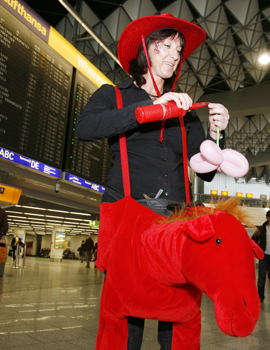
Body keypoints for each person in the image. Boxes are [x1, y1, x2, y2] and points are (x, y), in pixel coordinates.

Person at [76, 13, 230, 350]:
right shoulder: (114, 95)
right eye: (167, 46)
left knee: (175, 314)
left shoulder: (186, 112)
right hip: (129, 216)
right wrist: (149, 107)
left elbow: (203, 170)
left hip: (175, 223)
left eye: (179, 49)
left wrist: (218, 136)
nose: (175, 55)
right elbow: (85, 127)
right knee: (126, 315)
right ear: (146, 50)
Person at [252, 210, 270, 302]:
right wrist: (257, 250)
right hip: (264, 256)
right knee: (261, 276)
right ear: (267, 218)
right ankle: (260, 296)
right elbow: (253, 240)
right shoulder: (262, 229)